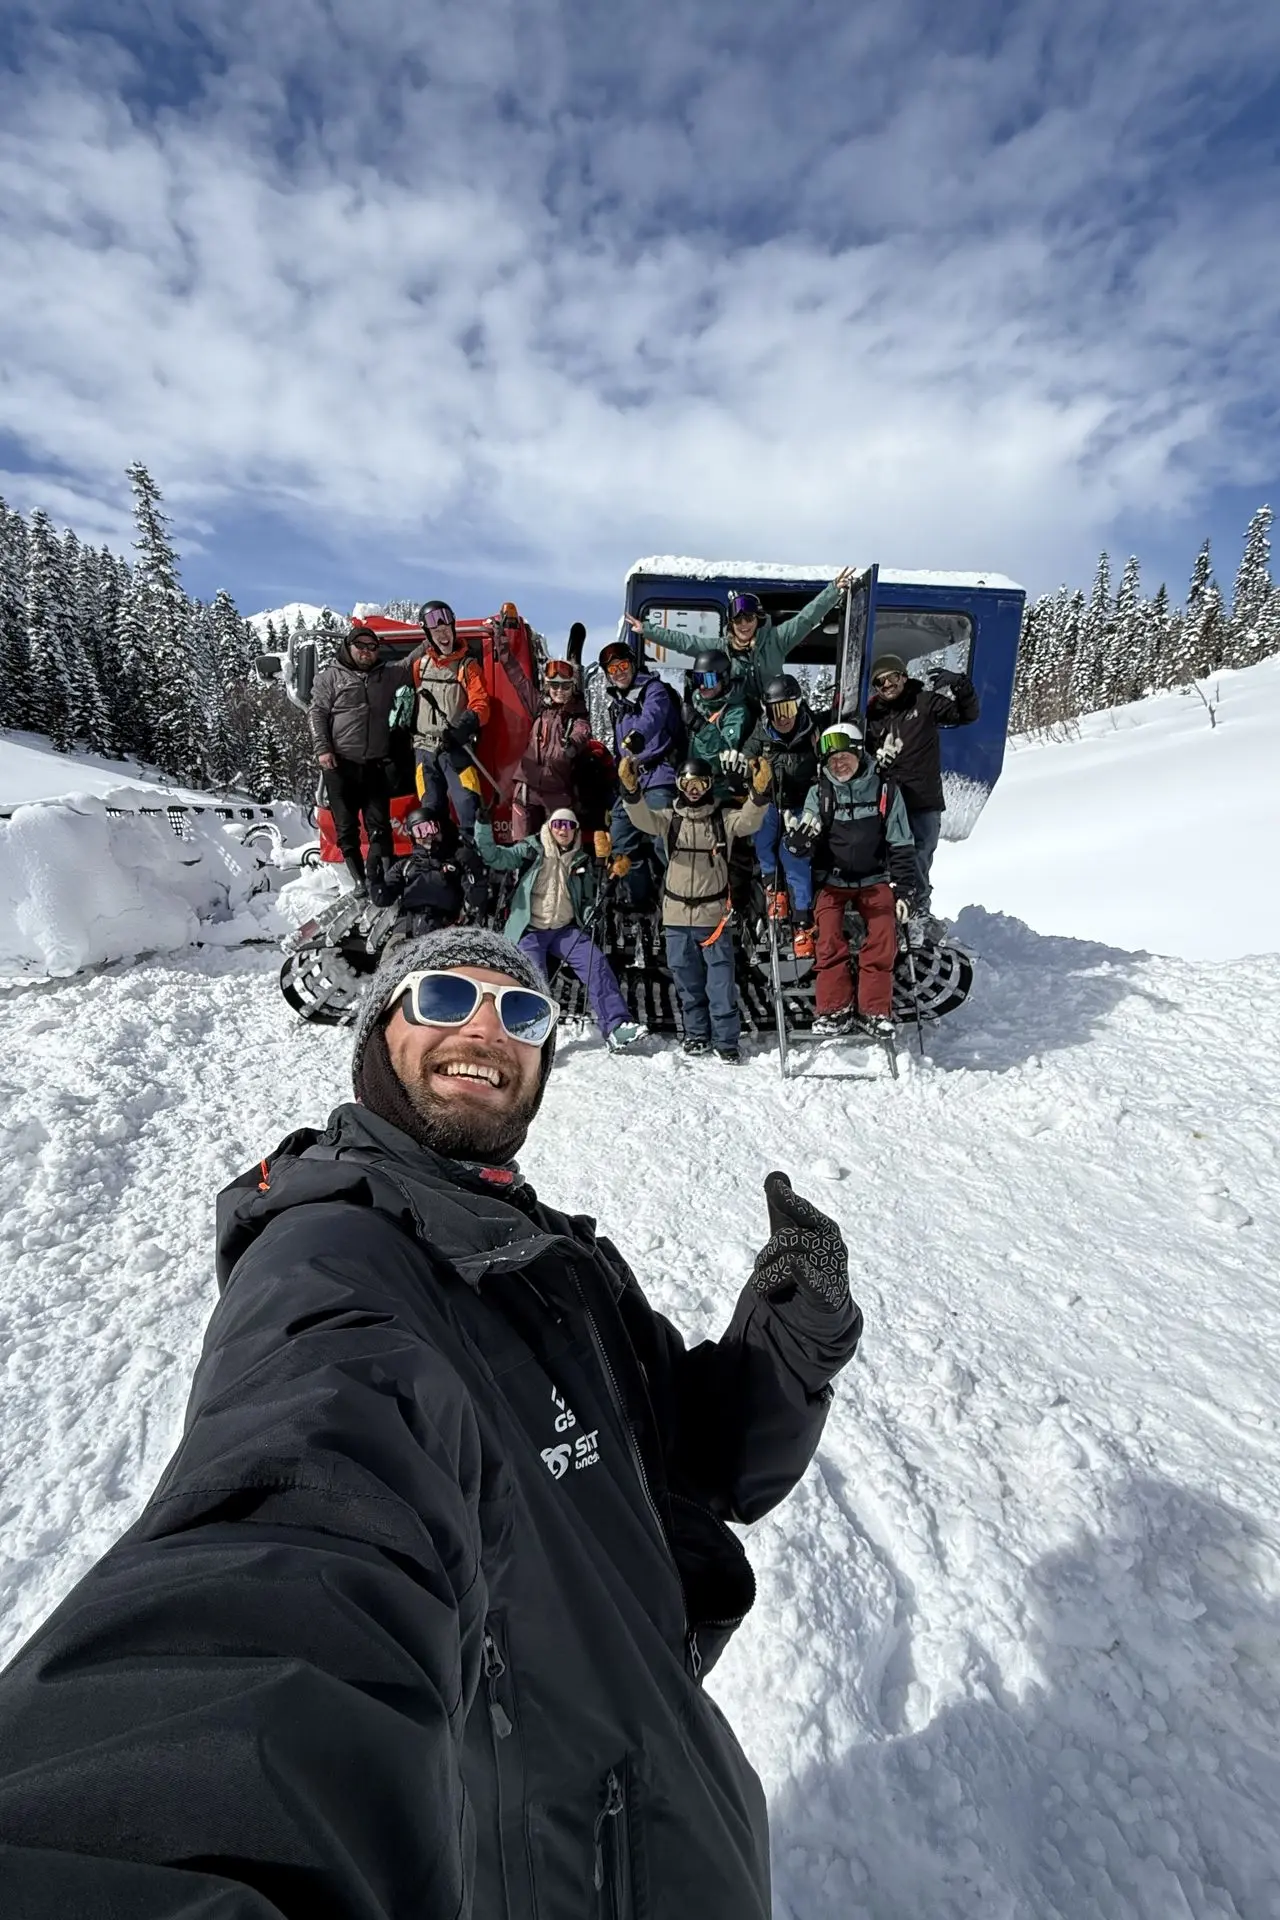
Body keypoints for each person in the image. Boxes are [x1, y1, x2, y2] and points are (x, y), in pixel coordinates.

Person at [0, 927, 862, 1920]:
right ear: (376, 1036)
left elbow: (703, 1464)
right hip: (558, 1861)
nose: (486, 1030)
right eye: (445, 998)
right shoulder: (333, 1253)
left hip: (669, 1794)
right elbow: (311, 1495)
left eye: (522, 1013)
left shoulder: (557, 1258)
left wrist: (794, 1324)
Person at [620, 750, 771, 1062]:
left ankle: (726, 1041)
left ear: (709, 785)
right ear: (678, 785)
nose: (693, 790)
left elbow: (749, 821)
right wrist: (631, 791)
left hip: (712, 917)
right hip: (676, 915)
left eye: (700, 784)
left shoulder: (722, 819)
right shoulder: (669, 819)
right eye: (687, 783)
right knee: (687, 983)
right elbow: (641, 818)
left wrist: (758, 793)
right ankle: (697, 1035)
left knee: (720, 984)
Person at [474, 805, 646, 1051]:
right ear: (549, 827)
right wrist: (483, 826)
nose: (563, 830)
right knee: (534, 978)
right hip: (531, 929)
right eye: (558, 824)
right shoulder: (531, 850)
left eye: (569, 825)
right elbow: (494, 857)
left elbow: (586, 900)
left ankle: (616, 1026)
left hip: (564, 929)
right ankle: (530, 1035)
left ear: (575, 830)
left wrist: (591, 913)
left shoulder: (581, 860)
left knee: (595, 963)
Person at [789, 720, 918, 1037]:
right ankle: (835, 1009)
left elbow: (901, 843)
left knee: (883, 933)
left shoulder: (885, 790)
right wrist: (801, 842)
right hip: (834, 882)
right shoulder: (820, 793)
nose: (839, 764)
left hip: (875, 879)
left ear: (860, 754)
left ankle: (874, 1010)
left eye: (844, 757)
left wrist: (904, 890)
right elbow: (809, 829)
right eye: (832, 760)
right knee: (828, 936)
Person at [625, 567, 858, 709]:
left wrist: (832, 591)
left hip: (772, 713)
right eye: (738, 620)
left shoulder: (776, 640)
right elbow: (686, 643)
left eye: (749, 618)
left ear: (758, 619)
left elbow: (805, 619)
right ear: (731, 624)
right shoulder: (722, 647)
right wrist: (647, 630)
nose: (744, 625)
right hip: (739, 716)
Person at [863, 651, 979, 931]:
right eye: (880, 682)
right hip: (889, 800)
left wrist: (961, 685)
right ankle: (888, 912)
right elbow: (862, 754)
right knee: (888, 857)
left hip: (923, 798)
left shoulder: (925, 702)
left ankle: (919, 912)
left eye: (892, 678)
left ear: (903, 677)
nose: (887, 685)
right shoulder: (873, 715)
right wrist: (875, 760)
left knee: (920, 856)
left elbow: (967, 715)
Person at [309, 623, 417, 897]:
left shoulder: (385, 675)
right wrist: (323, 749)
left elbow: (409, 663)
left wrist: (432, 637)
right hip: (339, 764)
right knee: (346, 827)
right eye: (361, 646)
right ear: (348, 647)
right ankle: (359, 880)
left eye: (372, 647)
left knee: (379, 824)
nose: (367, 652)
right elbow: (317, 713)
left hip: (374, 764)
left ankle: (380, 877)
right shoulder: (330, 677)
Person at [597, 637, 685, 909]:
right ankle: (640, 899)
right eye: (612, 669)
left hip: (659, 774)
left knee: (663, 838)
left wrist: (639, 736)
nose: (619, 673)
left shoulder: (654, 690)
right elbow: (618, 752)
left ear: (633, 665)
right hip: (632, 781)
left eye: (623, 665)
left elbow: (653, 716)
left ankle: (681, 894)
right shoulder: (618, 706)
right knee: (620, 842)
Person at [741, 672, 824, 959]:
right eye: (776, 710)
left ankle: (802, 920)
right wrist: (746, 769)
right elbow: (746, 758)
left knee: (794, 854)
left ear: (798, 706)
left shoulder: (813, 730)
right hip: (772, 802)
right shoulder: (762, 732)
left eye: (788, 708)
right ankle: (774, 891)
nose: (783, 717)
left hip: (801, 805)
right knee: (763, 835)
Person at [410, 598, 492, 837]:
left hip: (456, 747)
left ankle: (473, 855)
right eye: (436, 631)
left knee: (468, 805)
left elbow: (481, 704)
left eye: (446, 628)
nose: (443, 635)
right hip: (424, 749)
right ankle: (439, 857)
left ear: (453, 628)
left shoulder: (468, 666)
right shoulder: (420, 666)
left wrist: (464, 726)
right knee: (430, 811)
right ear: (428, 634)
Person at [381, 804, 475, 935]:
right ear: (413, 835)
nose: (428, 835)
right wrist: (375, 880)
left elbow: (473, 895)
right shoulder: (405, 866)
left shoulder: (455, 864)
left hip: (443, 930)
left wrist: (462, 918)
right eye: (421, 830)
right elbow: (383, 897)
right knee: (394, 947)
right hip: (407, 929)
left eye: (432, 828)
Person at [684, 648, 755, 803]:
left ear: (724, 678)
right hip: (694, 786)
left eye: (708, 680)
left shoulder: (736, 711)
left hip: (721, 790)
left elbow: (724, 756)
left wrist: (701, 727)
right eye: (698, 679)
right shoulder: (697, 704)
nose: (702, 686)